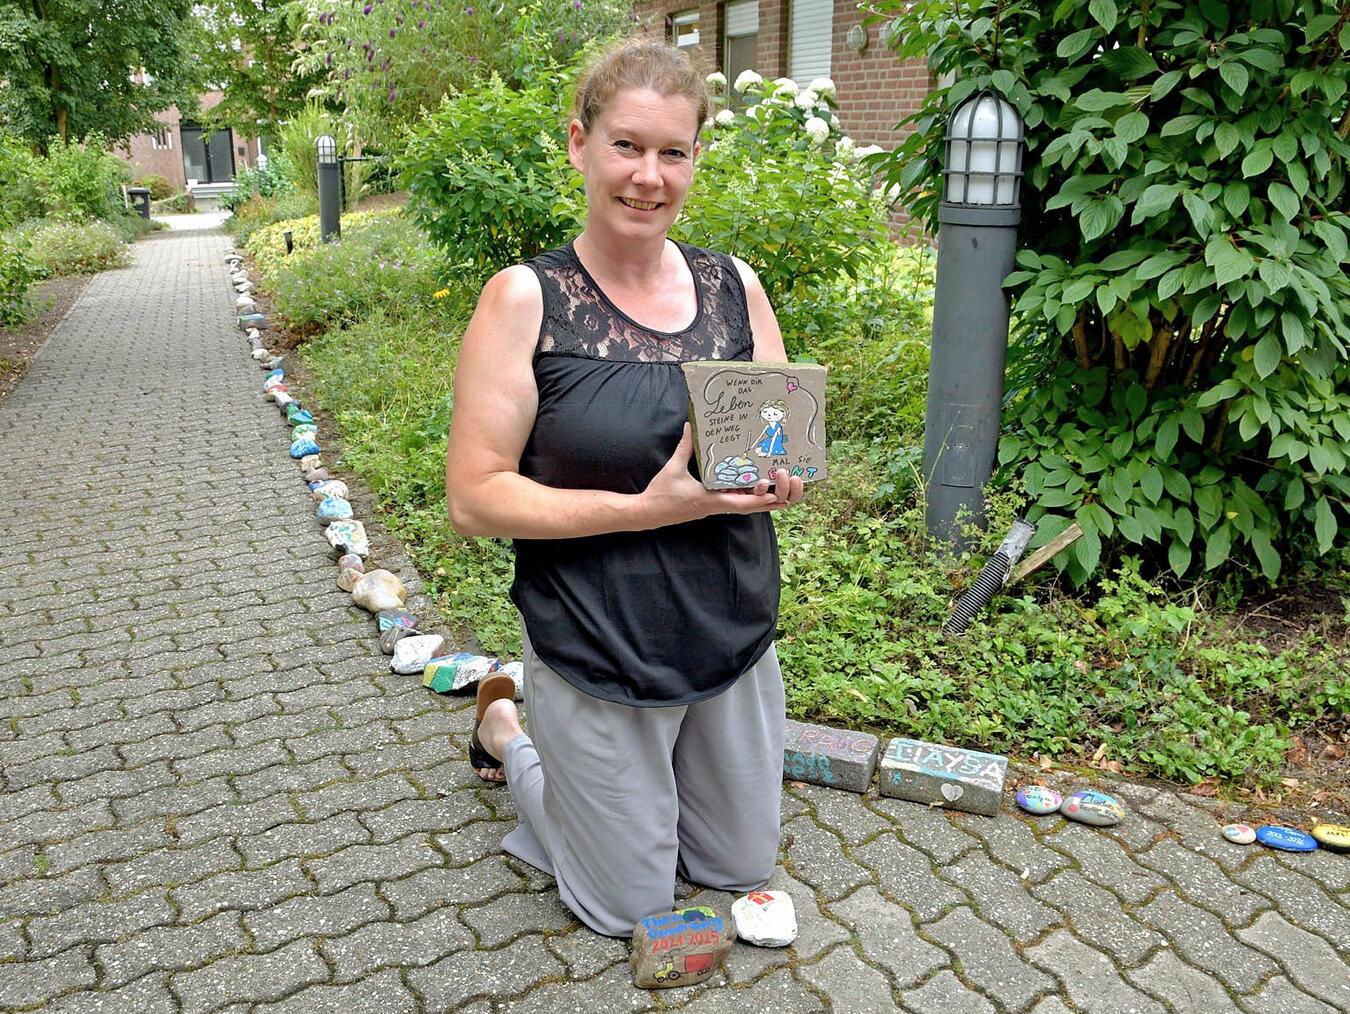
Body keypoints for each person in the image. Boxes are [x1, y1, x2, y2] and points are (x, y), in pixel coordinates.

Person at [444, 38, 805, 938]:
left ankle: (645, 784)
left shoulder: (735, 285)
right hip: (597, 638)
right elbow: (475, 497)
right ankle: (508, 736)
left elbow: (775, 436)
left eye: (673, 152)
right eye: (626, 146)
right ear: (579, 144)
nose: (649, 176)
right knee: (626, 908)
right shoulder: (526, 300)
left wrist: (781, 472)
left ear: (695, 160)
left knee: (737, 865)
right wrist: (644, 511)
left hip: (726, 628)